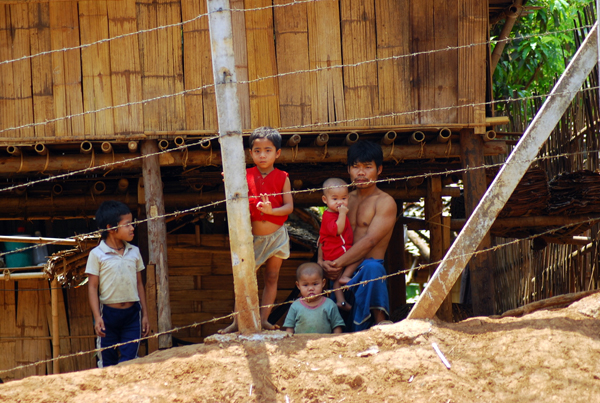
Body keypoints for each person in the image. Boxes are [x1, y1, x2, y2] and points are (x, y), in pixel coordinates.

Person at [220, 127, 294, 333]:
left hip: (277, 236)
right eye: (258, 150)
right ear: (250, 153)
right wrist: (230, 183)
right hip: (251, 239)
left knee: (271, 277)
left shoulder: (283, 177)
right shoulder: (245, 175)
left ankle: (263, 320)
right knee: (244, 279)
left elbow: (289, 207)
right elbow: (234, 198)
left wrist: (272, 210)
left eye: (268, 150)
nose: (262, 155)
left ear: (277, 153)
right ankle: (238, 321)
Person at [319, 140, 397, 331]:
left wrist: (337, 264)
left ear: (379, 169)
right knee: (311, 273)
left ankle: (380, 322)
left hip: (363, 267)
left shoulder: (385, 202)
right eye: (355, 167)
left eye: (367, 167)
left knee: (372, 268)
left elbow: (370, 240)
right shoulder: (341, 200)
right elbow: (324, 234)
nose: (360, 173)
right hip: (336, 267)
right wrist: (323, 262)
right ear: (348, 170)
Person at [85, 201, 149, 367]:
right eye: (127, 224)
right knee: (108, 362)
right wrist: (97, 317)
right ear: (112, 228)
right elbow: (92, 287)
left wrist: (145, 315)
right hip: (108, 316)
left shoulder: (134, 251)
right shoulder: (97, 254)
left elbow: (139, 285)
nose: (132, 228)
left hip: (133, 315)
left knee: (129, 362)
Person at [319, 177, 361, 312]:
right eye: (335, 199)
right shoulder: (328, 216)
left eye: (343, 198)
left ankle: (340, 300)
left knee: (336, 279)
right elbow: (338, 230)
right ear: (325, 200)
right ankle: (346, 275)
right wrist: (343, 214)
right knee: (359, 255)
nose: (340, 202)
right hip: (336, 250)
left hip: (337, 249)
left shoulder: (334, 213)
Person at [283, 263, 345, 334]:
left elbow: (337, 327)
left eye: (315, 284)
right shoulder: (295, 306)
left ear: (323, 283)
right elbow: (289, 329)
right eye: (305, 285)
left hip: (324, 343)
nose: (311, 288)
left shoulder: (330, 305)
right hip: (302, 344)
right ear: (298, 285)